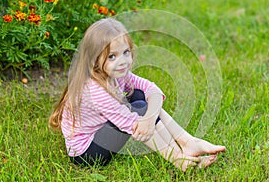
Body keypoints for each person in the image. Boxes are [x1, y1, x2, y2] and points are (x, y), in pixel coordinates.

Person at [48, 18, 226, 172]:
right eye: (112, 56)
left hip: (102, 129)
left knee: (140, 96)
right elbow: (133, 125)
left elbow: (153, 90)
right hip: (88, 153)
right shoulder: (94, 90)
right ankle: (178, 159)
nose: (123, 61)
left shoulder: (117, 73)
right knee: (140, 107)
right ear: (95, 59)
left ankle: (187, 141)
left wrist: (149, 118)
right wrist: (146, 117)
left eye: (126, 52)